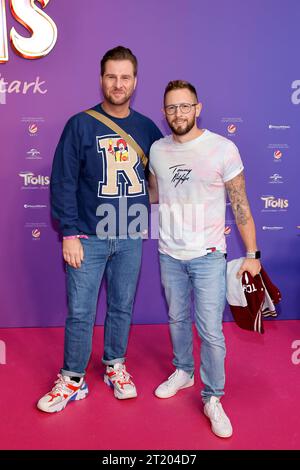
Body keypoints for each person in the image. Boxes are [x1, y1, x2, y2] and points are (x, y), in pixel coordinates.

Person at [37, 46, 162, 413]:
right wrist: (70, 233)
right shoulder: (80, 124)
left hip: (130, 234)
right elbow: (62, 180)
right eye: (111, 76)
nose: (118, 84)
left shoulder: (147, 128)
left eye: (125, 77)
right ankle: (73, 379)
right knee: (80, 310)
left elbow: (162, 176)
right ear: (101, 79)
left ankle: (114, 365)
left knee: (122, 306)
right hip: (88, 236)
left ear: (135, 82)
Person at [148, 80, 261, 438]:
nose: (177, 114)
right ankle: (183, 370)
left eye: (184, 106)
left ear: (198, 108)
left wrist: (253, 254)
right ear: (164, 112)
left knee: (211, 331)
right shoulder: (157, 150)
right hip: (169, 253)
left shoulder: (222, 148)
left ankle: (213, 397)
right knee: (177, 318)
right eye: (171, 108)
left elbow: (241, 205)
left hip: (209, 255)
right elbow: (153, 194)